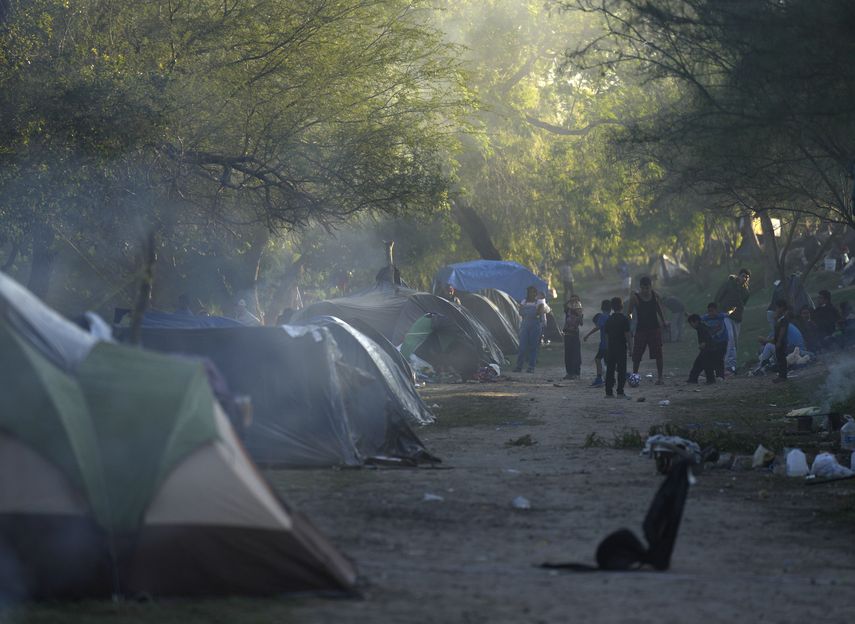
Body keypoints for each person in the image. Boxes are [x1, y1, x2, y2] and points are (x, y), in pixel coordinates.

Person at [628, 276, 669, 385]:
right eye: (643, 288)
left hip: (654, 328)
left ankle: (660, 378)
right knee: (637, 355)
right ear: (640, 287)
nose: (645, 290)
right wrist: (630, 322)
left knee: (658, 354)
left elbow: (659, 309)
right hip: (641, 329)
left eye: (647, 288)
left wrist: (664, 320)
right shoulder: (635, 298)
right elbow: (630, 313)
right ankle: (635, 376)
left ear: (650, 287)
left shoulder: (655, 295)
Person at [714, 268, 751, 373]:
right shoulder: (729, 284)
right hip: (725, 315)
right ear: (739, 275)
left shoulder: (746, 291)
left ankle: (730, 366)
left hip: (737, 318)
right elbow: (718, 297)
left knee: (734, 342)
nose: (744, 278)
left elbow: (743, 304)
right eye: (743, 276)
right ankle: (728, 365)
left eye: (747, 277)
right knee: (729, 338)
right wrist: (716, 311)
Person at [604, 297, 631, 399]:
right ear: (621, 306)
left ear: (612, 307)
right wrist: (631, 348)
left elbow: (606, 336)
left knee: (610, 370)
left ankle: (609, 392)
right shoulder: (624, 319)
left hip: (611, 348)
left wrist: (607, 349)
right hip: (621, 348)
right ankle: (620, 392)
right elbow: (627, 335)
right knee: (621, 370)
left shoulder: (609, 320)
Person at [514, 286, 545, 373]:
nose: (532, 294)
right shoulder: (524, 301)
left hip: (535, 325)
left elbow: (540, 312)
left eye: (534, 292)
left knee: (533, 347)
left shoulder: (539, 302)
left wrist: (529, 313)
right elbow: (520, 312)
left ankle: (531, 367)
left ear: (535, 293)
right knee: (522, 347)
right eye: (530, 292)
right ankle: (519, 366)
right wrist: (532, 313)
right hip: (525, 325)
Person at [583, 299, 611, 387]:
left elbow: (597, 327)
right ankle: (611, 378)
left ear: (602, 308)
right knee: (609, 362)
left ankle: (599, 378)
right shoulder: (610, 317)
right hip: (611, 344)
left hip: (604, 344)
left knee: (598, 359)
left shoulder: (602, 317)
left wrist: (587, 335)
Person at [701, 302, 729, 379]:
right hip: (713, 342)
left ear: (716, 310)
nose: (711, 313)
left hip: (723, 340)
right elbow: (698, 319)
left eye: (712, 311)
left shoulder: (721, 316)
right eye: (709, 311)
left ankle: (720, 376)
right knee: (713, 357)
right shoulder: (706, 318)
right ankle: (713, 375)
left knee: (720, 358)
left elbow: (728, 313)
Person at [687, 314, 716, 384]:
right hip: (710, 348)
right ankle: (694, 379)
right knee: (703, 365)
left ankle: (694, 379)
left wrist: (702, 345)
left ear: (696, 321)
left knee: (703, 365)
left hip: (707, 349)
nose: (691, 326)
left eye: (691, 323)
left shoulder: (700, 328)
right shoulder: (702, 326)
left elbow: (704, 339)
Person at [562, 296, 583, 380]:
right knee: (568, 355)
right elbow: (564, 305)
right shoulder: (568, 310)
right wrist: (569, 301)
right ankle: (569, 373)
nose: (573, 302)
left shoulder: (579, 310)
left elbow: (581, 323)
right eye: (572, 300)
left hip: (574, 334)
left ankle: (576, 373)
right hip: (567, 334)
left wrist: (578, 314)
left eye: (575, 300)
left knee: (576, 354)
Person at [771, 299, 790, 382]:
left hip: (781, 341)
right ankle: (781, 374)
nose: (776, 310)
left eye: (777, 308)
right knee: (779, 358)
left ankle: (783, 376)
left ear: (782, 308)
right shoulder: (780, 318)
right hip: (778, 341)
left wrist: (779, 341)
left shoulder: (784, 319)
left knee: (781, 358)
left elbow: (782, 331)